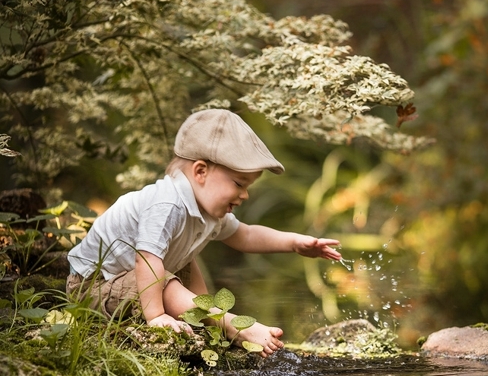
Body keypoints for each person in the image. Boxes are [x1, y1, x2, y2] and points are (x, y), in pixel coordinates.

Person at [66, 109, 342, 356]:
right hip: (94, 287)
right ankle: (231, 325)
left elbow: (245, 235)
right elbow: (146, 261)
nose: (245, 195)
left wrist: (294, 242)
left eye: (248, 186)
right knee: (164, 275)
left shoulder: (208, 211)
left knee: (186, 262)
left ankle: (208, 324)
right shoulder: (167, 203)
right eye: (239, 183)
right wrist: (157, 317)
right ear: (200, 171)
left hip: (134, 281)